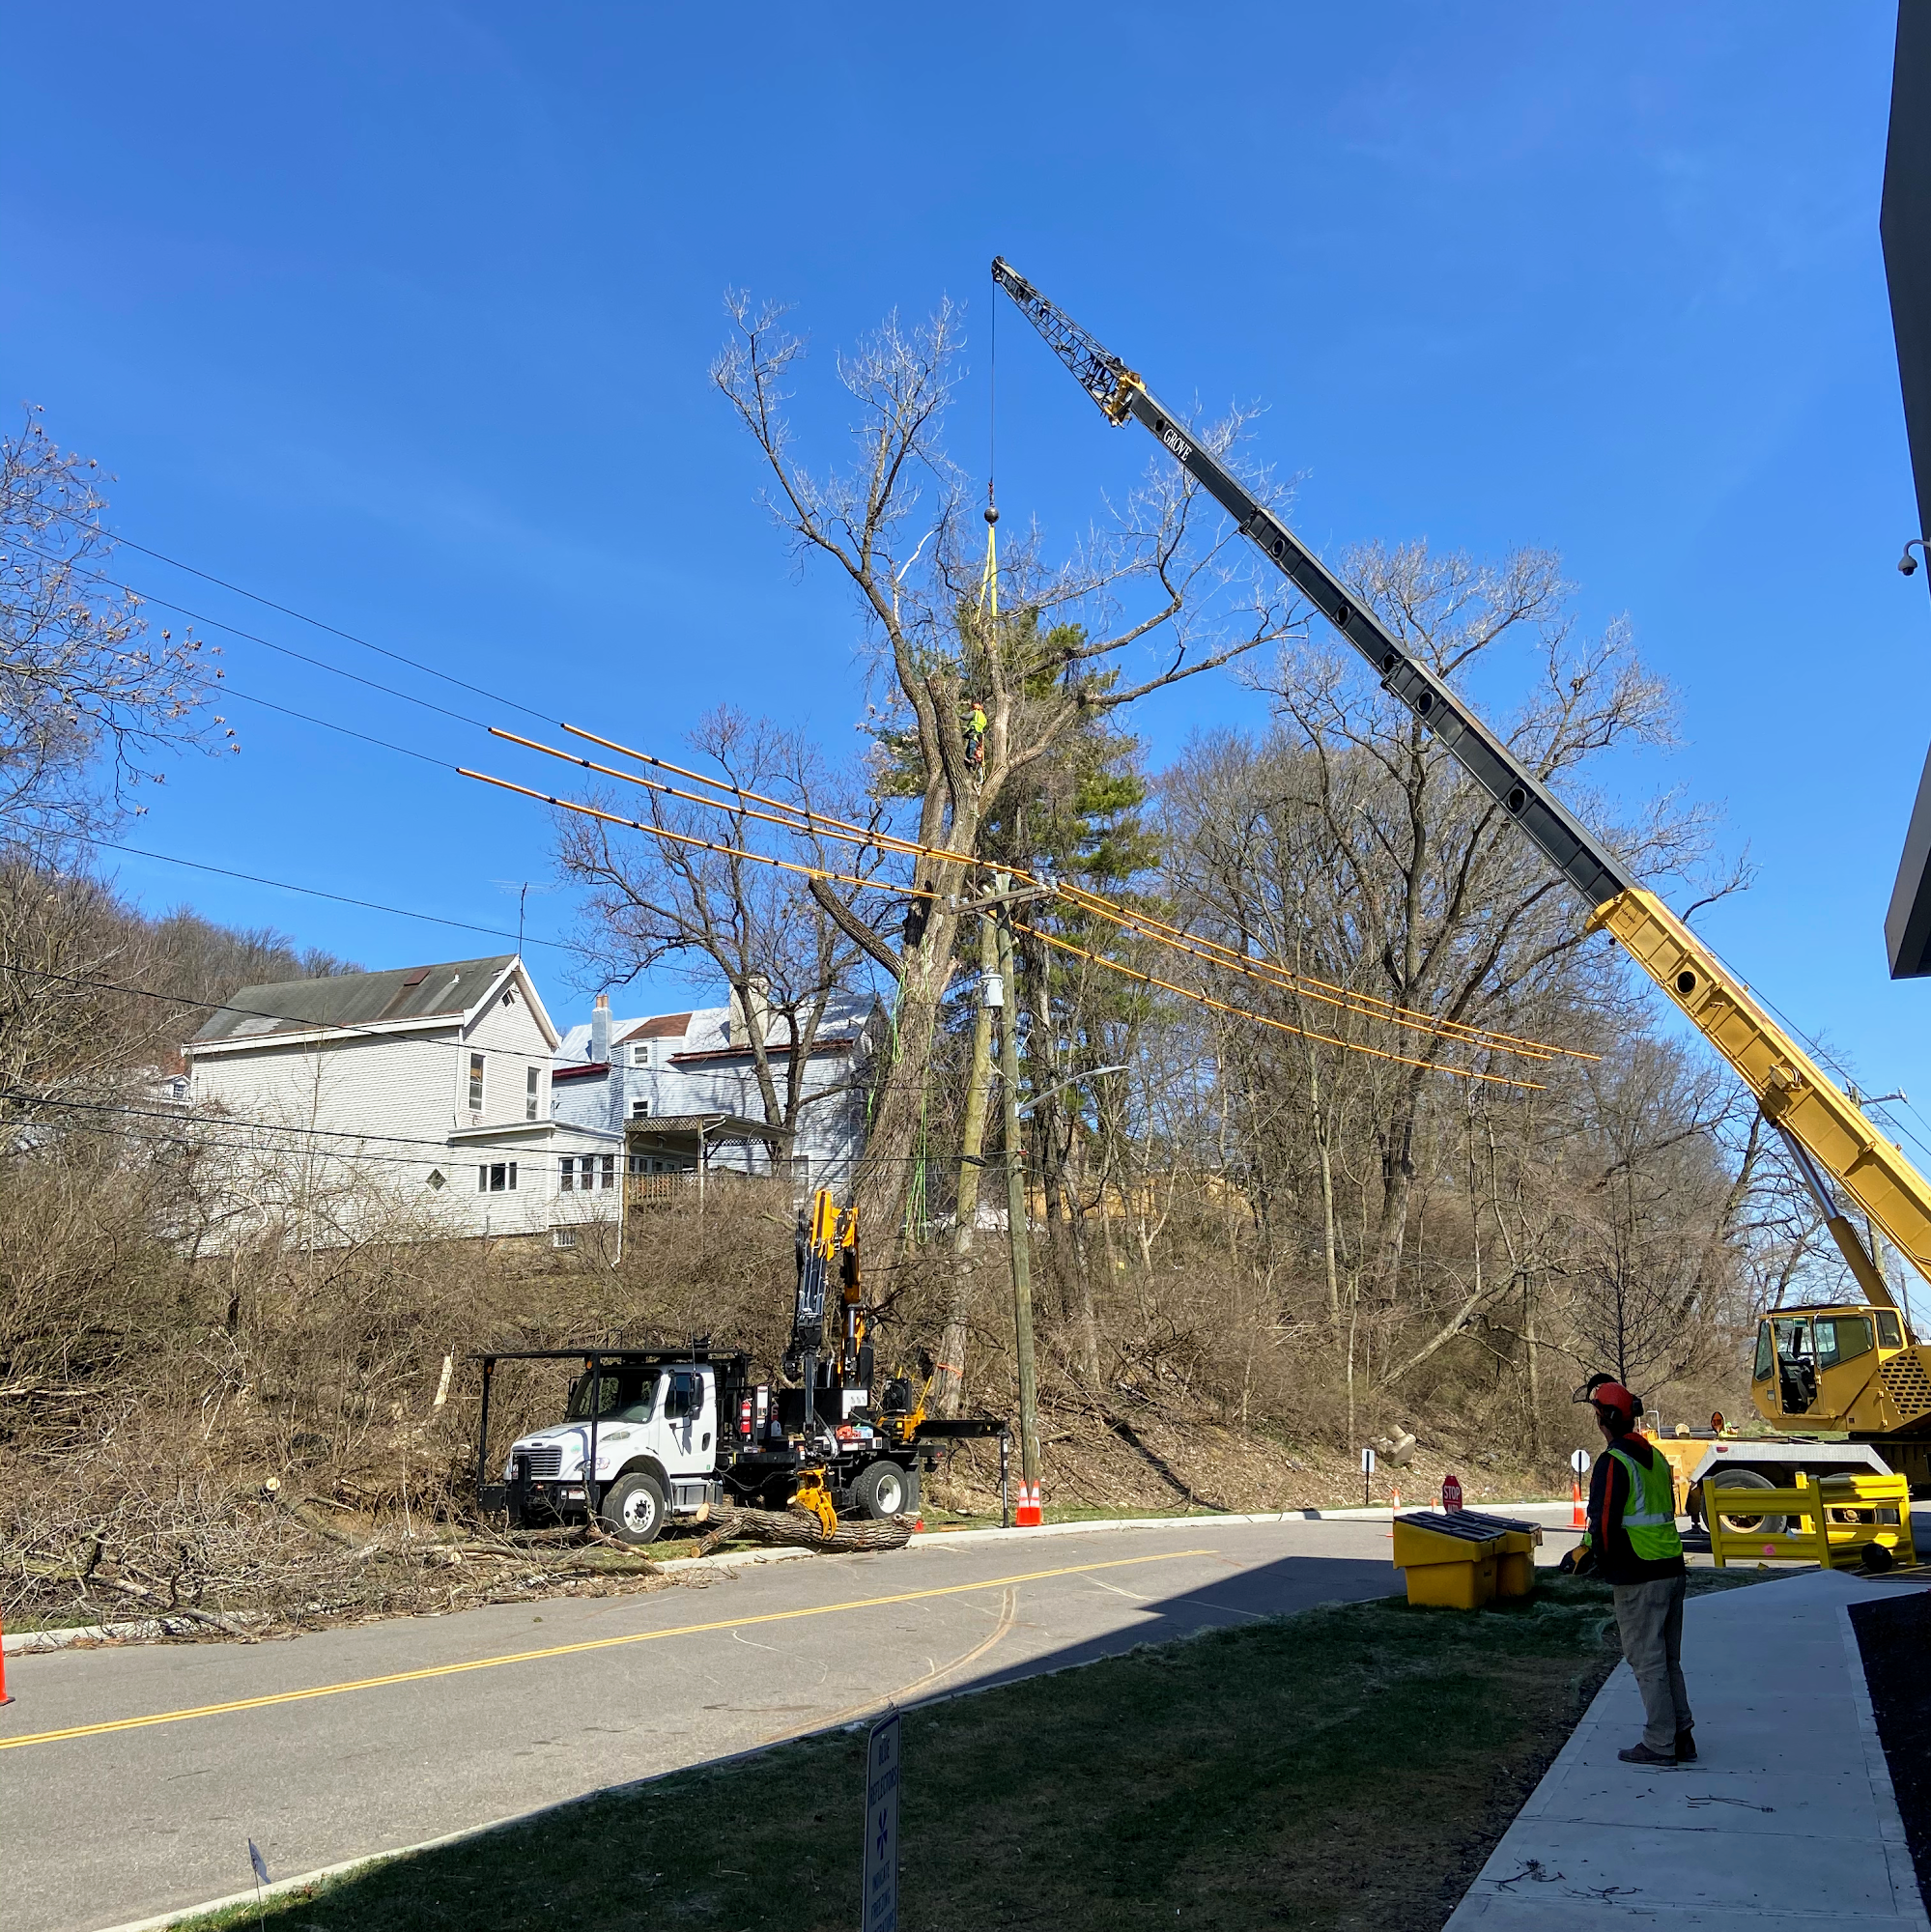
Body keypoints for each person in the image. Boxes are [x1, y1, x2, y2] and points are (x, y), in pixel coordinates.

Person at [1569, 1376, 1694, 1765]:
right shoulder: (1653, 1457)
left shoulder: (1613, 1462)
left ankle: (1660, 1743)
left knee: (1646, 1660)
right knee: (1667, 1659)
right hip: (1670, 1569)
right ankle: (1681, 1735)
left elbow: (1604, 1521)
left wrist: (1595, 1559)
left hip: (1638, 1575)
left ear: (1605, 1417)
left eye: (1596, 1412)